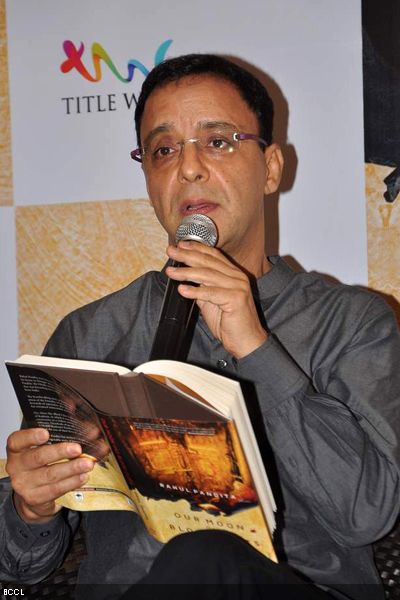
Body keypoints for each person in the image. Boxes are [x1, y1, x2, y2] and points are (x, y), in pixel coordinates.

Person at [1, 53, 400, 600]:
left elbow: (367, 515)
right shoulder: (90, 335)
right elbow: (22, 571)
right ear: (148, 178)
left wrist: (256, 347)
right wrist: (32, 505)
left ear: (272, 168)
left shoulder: (352, 323)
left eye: (217, 141)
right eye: (164, 149)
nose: (188, 167)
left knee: (206, 557)